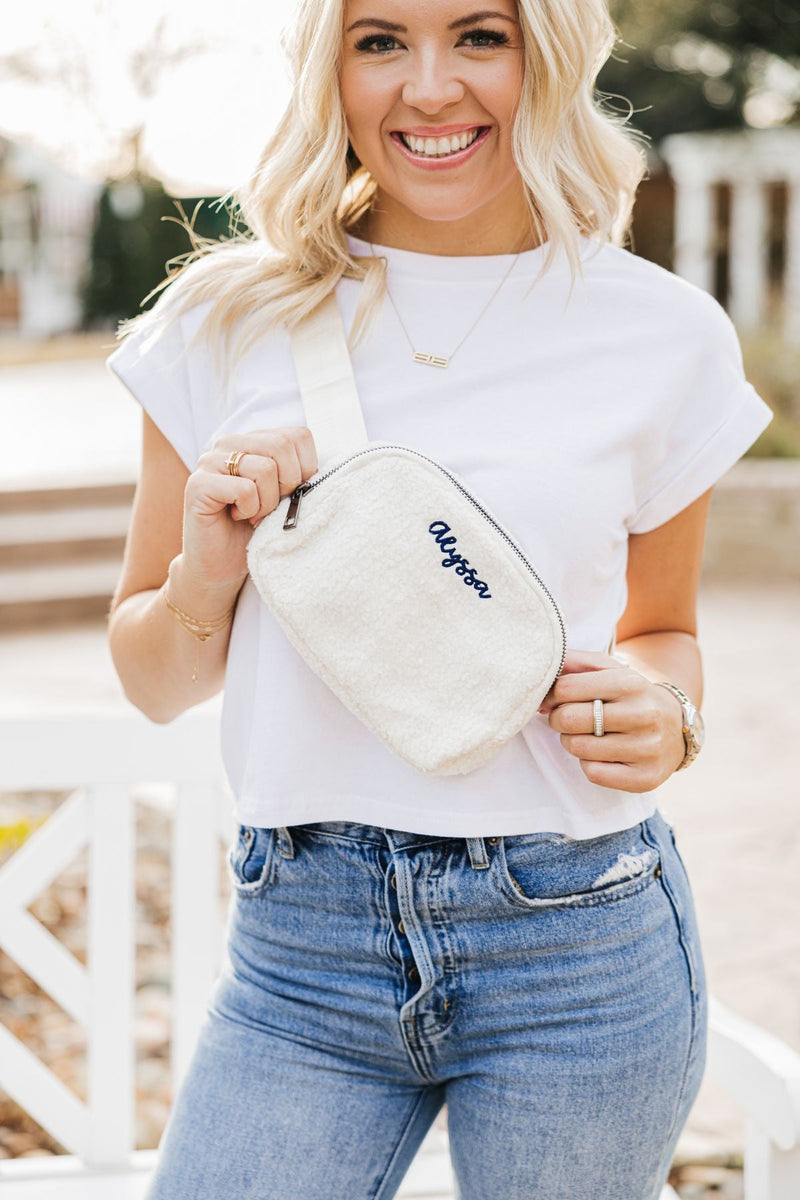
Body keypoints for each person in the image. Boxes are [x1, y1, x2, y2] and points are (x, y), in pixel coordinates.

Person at [106, 0, 773, 1196]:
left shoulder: (661, 333)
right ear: (331, 70)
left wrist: (666, 716)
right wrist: (210, 567)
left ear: (547, 55)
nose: (427, 88)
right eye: (378, 41)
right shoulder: (221, 323)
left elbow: (662, 631)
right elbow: (154, 682)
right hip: (300, 956)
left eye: (478, 37)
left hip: (577, 941)